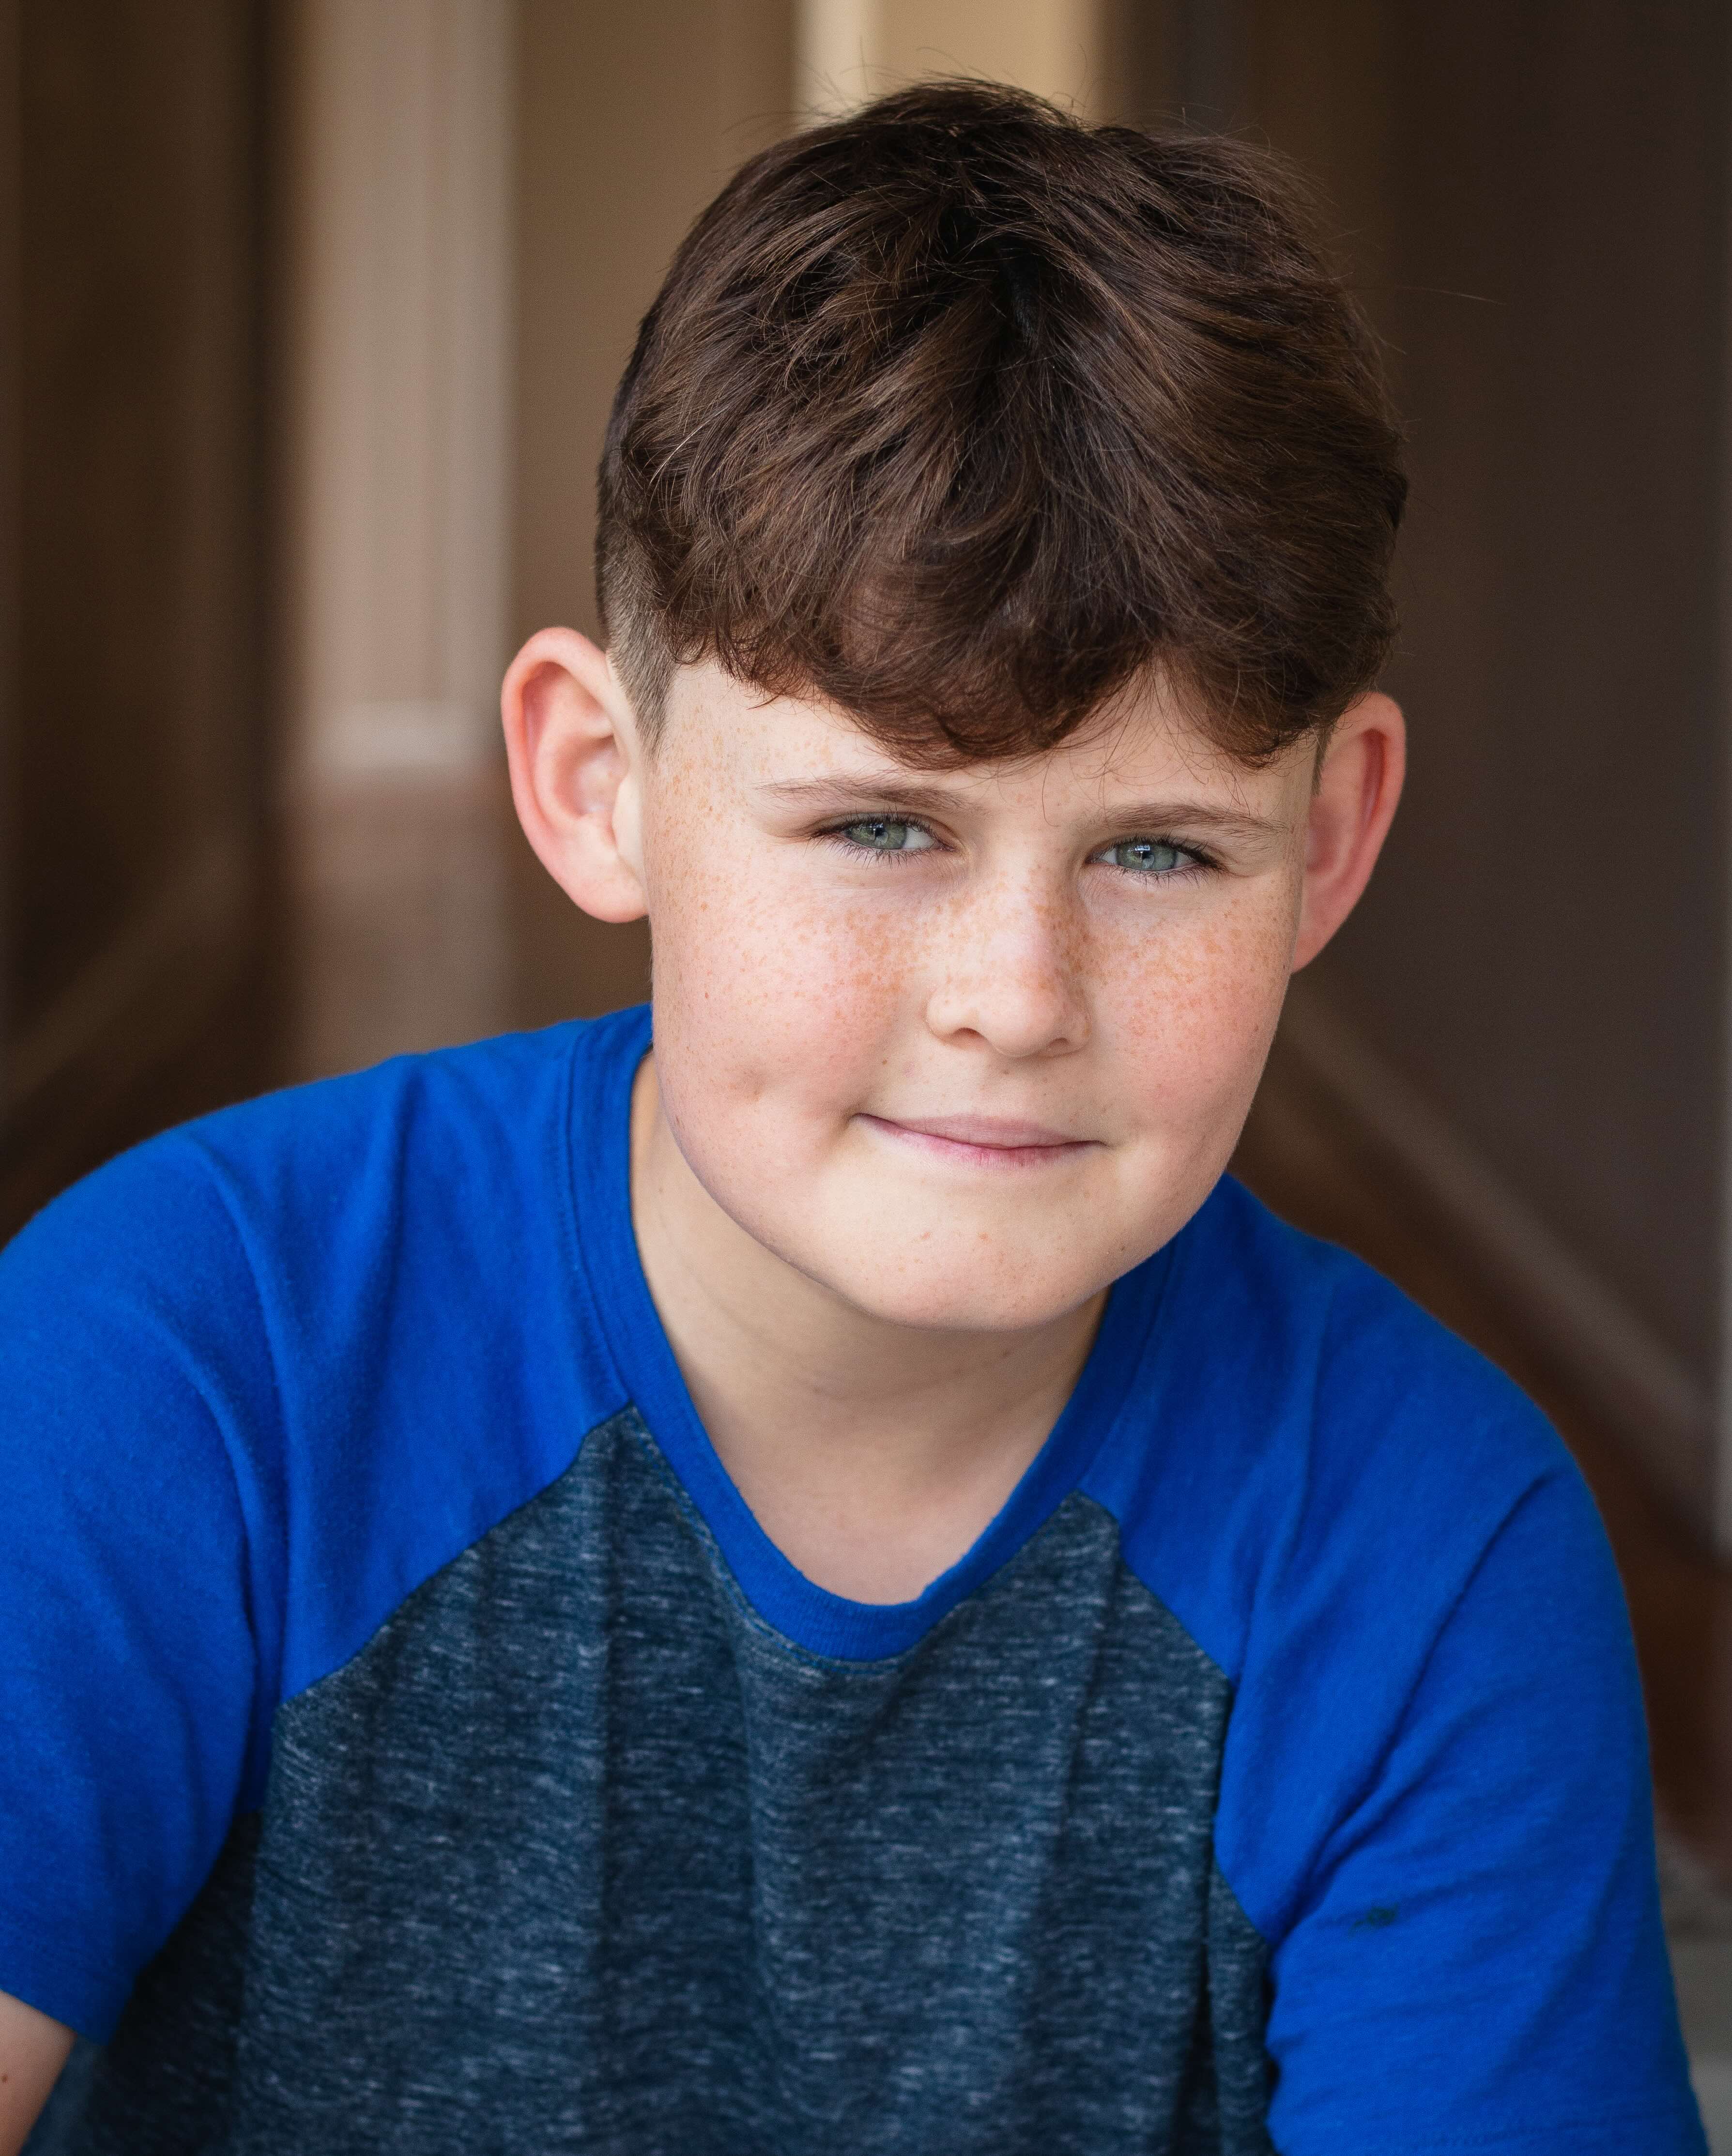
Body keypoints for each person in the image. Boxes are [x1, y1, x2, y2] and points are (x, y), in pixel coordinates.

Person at [0, 81, 1704, 2156]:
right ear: (599, 785)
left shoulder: (1432, 1549)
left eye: (1159, 852)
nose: (1015, 997)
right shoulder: (181, 1358)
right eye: (882, 827)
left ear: (1329, 842)